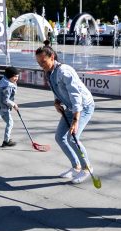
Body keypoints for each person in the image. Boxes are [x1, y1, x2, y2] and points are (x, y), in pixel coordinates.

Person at [35, 45, 94, 184]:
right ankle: (76, 166)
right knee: (59, 137)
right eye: (38, 62)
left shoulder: (64, 71)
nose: (41, 65)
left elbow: (76, 96)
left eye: (43, 61)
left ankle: (87, 168)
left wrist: (75, 119)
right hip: (69, 107)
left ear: (52, 57)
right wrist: (57, 101)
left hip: (83, 107)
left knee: (72, 138)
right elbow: (58, 89)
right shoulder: (49, 72)